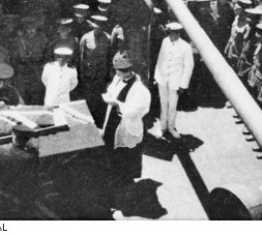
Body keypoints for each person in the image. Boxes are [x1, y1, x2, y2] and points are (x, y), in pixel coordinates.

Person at [102, 51, 151, 186]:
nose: (117, 74)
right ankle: (115, 174)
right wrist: (110, 97)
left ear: (128, 71)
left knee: (126, 153)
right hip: (113, 119)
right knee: (112, 146)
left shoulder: (139, 89)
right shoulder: (118, 78)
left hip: (127, 123)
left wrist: (118, 104)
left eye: (120, 71)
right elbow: (112, 90)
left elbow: (137, 110)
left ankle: (124, 180)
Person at [153, 22, 195, 139]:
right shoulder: (165, 41)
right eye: (172, 33)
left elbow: (188, 67)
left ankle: (171, 127)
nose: (174, 35)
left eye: (176, 33)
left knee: (172, 106)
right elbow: (160, 59)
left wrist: (183, 85)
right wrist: (157, 77)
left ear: (179, 33)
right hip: (162, 79)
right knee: (163, 104)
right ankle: (162, 127)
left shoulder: (185, 47)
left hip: (175, 82)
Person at [79, 15, 112, 125]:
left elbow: (110, 59)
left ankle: (99, 124)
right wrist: (82, 77)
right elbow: (81, 58)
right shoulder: (85, 38)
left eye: (100, 27)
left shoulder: (108, 39)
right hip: (88, 77)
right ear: (93, 26)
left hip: (101, 77)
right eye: (96, 27)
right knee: (88, 101)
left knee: (100, 102)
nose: (98, 29)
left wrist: (108, 77)